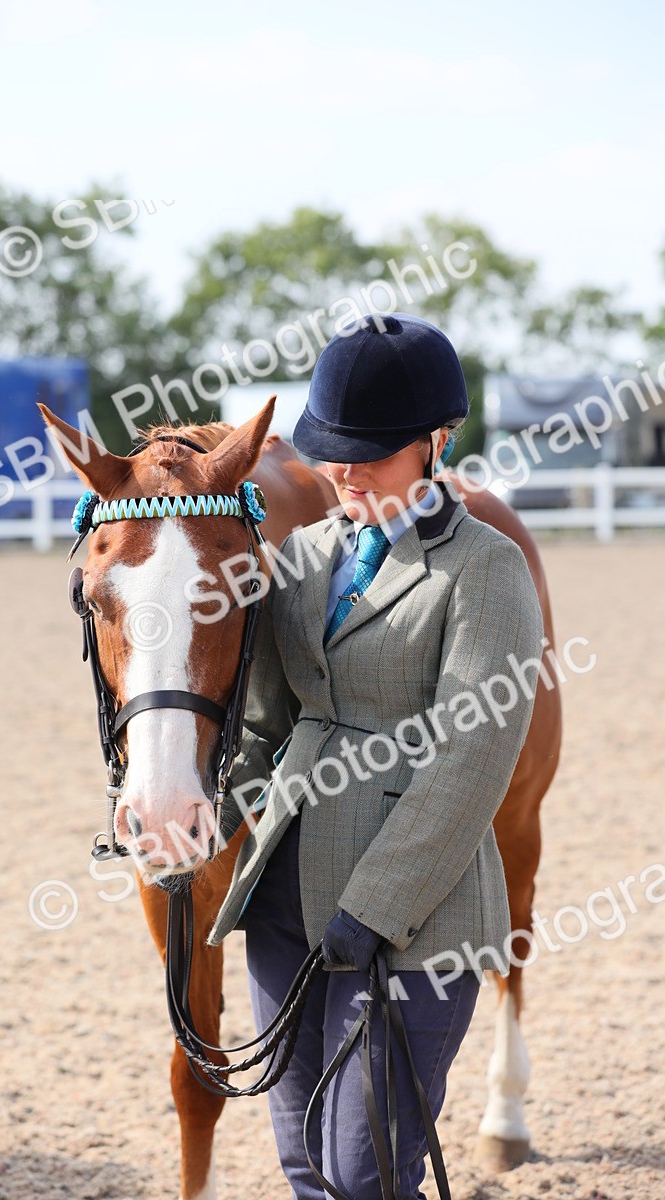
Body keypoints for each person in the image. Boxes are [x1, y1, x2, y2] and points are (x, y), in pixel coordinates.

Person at [208, 313, 544, 1200]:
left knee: (368, 1172)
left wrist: (376, 905)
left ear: (436, 442)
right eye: (331, 449)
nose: (344, 472)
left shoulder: (486, 568)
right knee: (305, 1164)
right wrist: (206, 821)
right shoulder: (302, 558)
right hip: (283, 897)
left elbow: (470, 761)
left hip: (412, 918)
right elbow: (263, 729)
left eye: (372, 452)